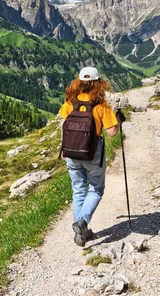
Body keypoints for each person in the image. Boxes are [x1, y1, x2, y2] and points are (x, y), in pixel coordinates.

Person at [58, 67, 123, 246]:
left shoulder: (70, 101)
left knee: (78, 191)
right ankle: (82, 223)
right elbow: (111, 133)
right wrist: (118, 121)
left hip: (71, 151)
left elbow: (65, 123)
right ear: (97, 83)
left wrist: (64, 148)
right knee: (95, 189)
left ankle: (81, 234)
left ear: (78, 82)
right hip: (93, 152)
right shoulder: (101, 104)